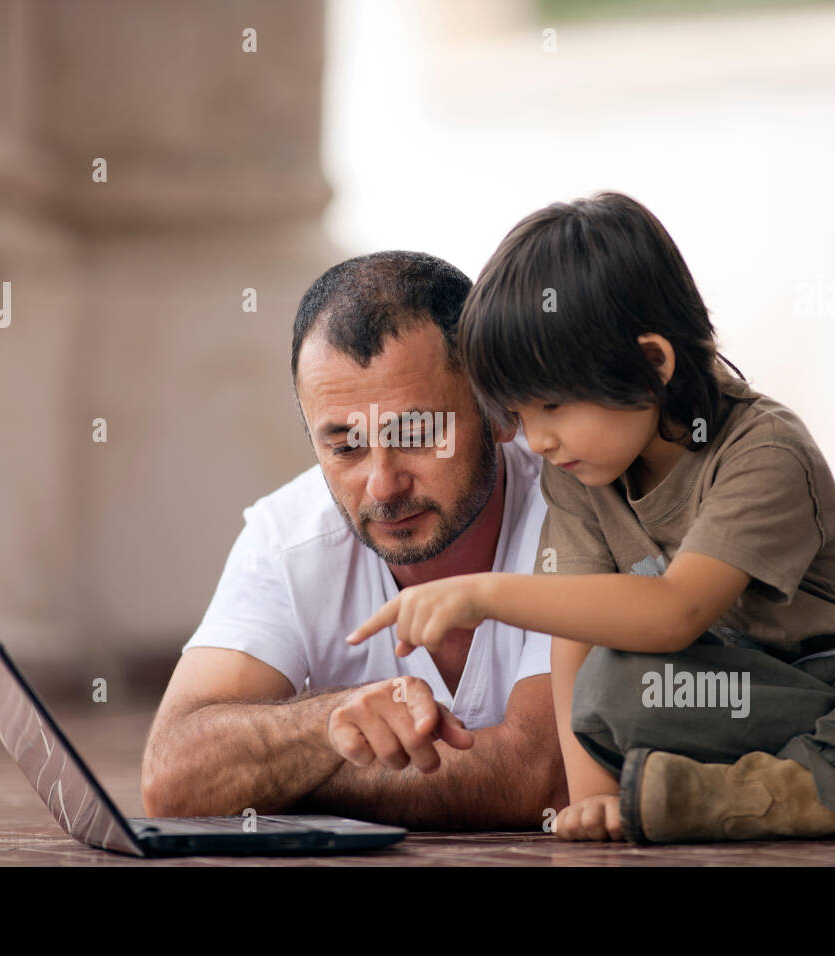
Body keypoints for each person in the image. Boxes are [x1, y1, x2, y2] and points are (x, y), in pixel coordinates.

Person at [347, 192, 835, 843]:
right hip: (713, 707)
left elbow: (676, 610)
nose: (538, 440)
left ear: (651, 363)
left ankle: (787, 791)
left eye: (553, 407)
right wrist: (590, 793)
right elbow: (574, 637)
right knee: (613, 686)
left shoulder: (765, 449)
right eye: (521, 415)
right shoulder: (583, 474)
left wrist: (483, 595)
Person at [141, 251, 566, 830]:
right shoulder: (288, 536)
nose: (383, 485)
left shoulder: (571, 512)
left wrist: (278, 783)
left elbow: (535, 777)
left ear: (498, 411)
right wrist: (330, 721)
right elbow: (174, 781)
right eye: (344, 446)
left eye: (417, 434)